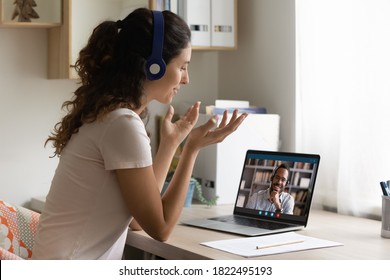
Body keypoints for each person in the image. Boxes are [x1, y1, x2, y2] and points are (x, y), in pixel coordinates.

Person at [32, 8, 247, 260]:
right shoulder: (122, 125)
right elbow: (161, 228)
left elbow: (137, 219)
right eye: (183, 66)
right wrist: (191, 150)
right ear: (154, 66)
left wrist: (170, 144)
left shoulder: (108, 115)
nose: (186, 79)